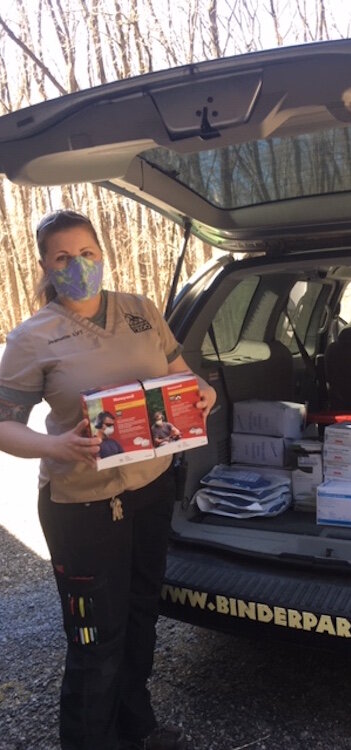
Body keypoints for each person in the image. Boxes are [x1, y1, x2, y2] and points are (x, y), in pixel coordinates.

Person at [0, 209, 216, 750]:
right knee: (96, 639)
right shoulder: (32, 338)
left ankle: (136, 727)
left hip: (150, 490)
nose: (78, 266)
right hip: (83, 507)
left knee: (141, 618)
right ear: (46, 266)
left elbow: (176, 373)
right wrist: (56, 445)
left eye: (87, 253)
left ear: (103, 253)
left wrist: (201, 392)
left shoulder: (141, 311)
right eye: (63, 258)